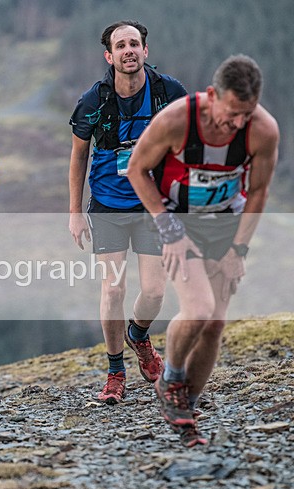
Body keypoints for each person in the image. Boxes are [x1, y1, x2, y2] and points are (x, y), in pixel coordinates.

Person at [127, 54, 279, 446]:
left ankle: (185, 407)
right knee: (198, 309)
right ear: (212, 95)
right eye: (230, 114)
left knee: (215, 324)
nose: (236, 124)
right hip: (175, 220)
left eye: (245, 114)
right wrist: (169, 228)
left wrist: (239, 249)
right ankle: (171, 380)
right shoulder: (177, 119)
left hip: (226, 226)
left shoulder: (262, 130)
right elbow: (136, 170)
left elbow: (259, 191)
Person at [69, 20, 187, 405]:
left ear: (145, 51)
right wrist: (74, 211)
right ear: (110, 56)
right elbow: (78, 155)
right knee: (114, 288)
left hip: (152, 204)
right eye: (120, 46)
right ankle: (115, 372)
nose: (128, 50)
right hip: (107, 205)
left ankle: (138, 335)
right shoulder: (94, 100)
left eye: (134, 43)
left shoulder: (169, 93)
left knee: (154, 292)